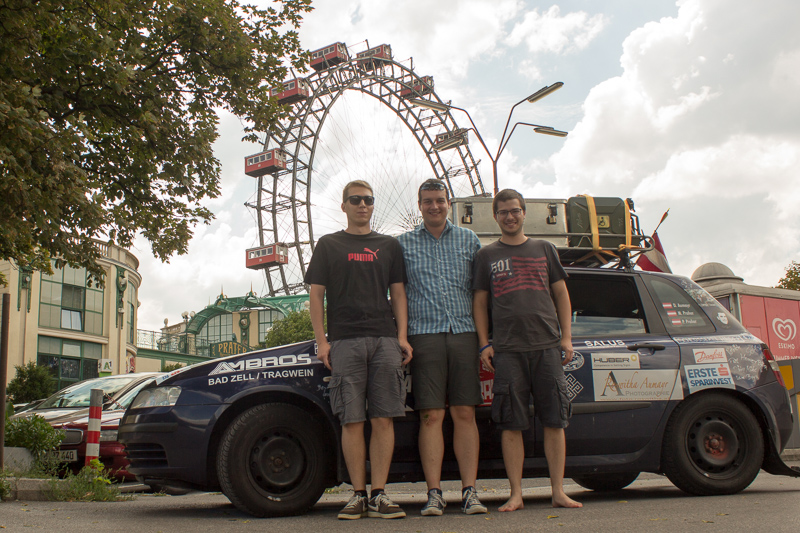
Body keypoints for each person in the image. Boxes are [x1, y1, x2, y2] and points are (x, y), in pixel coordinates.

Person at [304, 180, 413, 520]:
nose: (362, 205)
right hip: (345, 340)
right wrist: (322, 341)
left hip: (383, 339)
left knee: (383, 418)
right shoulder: (329, 244)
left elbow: (398, 294)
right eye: (355, 200)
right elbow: (316, 296)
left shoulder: (389, 246)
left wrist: (403, 336)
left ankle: (380, 493)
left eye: (367, 200)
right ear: (344, 205)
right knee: (351, 419)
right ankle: (356, 494)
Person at [472, 188, 582, 512]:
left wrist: (566, 337)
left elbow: (561, 294)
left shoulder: (545, 249)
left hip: (547, 347)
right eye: (503, 211)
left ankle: (558, 491)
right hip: (507, 351)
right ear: (495, 216)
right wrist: (484, 343)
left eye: (515, 210)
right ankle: (516, 493)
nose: (509, 216)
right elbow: (479, 303)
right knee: (510, 423)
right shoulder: (486, 256)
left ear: (524, 213)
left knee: (555, 420)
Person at [397, 179, 487, 516]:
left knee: (465, 413)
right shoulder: (403, 244)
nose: (434, 206)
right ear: (419, 205)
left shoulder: (469, 239)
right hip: (424, 334)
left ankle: (470, 491)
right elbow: (399, 294)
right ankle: (434, 492)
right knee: (431, 415)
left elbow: (481, 294)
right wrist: (402, 335)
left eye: (439, 200)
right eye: (427, 201)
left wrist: (483, 339)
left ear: (449, 203)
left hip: (464, 331)